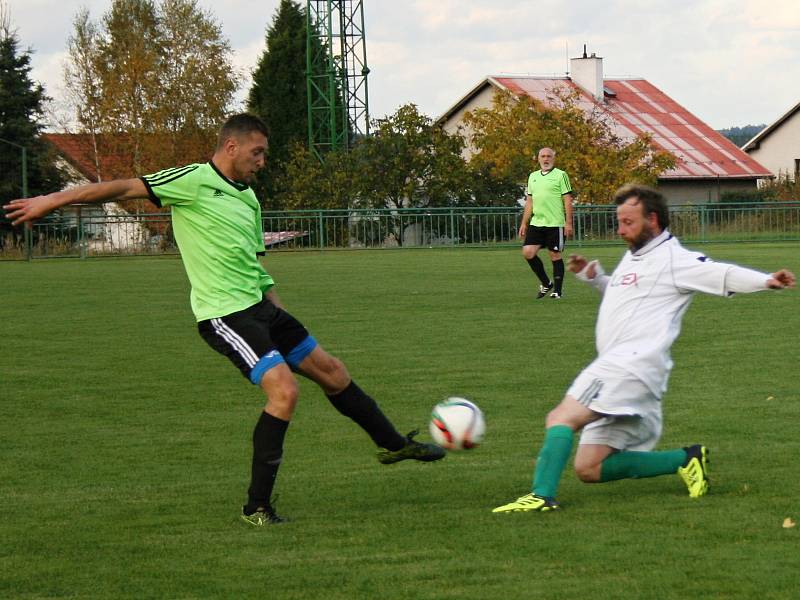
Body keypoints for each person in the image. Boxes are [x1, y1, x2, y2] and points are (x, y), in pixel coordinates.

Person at [3, 113, 445, 526]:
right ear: (231, 146)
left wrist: (279, 309)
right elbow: (120, 189)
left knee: (332, 372)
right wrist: (53, 200)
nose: (262, 162)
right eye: (257, 153)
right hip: (224, 315)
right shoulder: (191, 180)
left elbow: (255, 263)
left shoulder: (249, 198)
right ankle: (257, 507)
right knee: (284, 391)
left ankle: (393, 445)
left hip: (261, 308)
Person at [494, 184, 795, 513]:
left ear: (652, 219)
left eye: (628, 222)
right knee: (589, 467)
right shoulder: (636, 254)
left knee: (561, 417)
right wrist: (594, 278)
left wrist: (766, 280)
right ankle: (686, 460)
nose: (621, 230)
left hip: (629, 367)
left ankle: (541, 496)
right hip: (629, 370)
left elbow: (719, 272)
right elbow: (629, 293)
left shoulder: (674, 259)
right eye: (619, 222)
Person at [518, 147, 574, 300]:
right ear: (538, 159)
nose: (546, 159)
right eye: (543, 156)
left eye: (549, 156)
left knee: (554, 254)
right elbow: (529, 201)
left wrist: (568, 223)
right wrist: (524, 223)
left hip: (555, 223)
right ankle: (546, 283)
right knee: (528, 252)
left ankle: (558, 291)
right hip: (537, 223)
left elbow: (567, 200)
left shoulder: (561, 175)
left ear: (554, 158)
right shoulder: (533, 176)